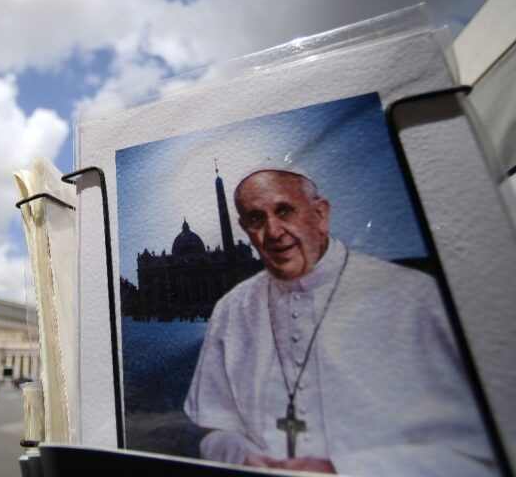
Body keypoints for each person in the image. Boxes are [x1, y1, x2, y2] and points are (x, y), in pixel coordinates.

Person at [184, 167, 495, 476]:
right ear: (245, 228)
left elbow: (483, 453)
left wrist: (345, 469)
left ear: (320, 214)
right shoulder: (231, 308)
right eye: (256, 218)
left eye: (285, 211)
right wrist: (241, 457)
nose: (274, 231)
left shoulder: (414, 297)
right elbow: (214, 431)